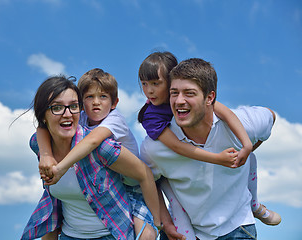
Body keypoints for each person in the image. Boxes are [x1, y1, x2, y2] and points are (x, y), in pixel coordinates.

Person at [140, 58, 279, 240]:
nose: (180, 101)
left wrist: (247, 149)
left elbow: (270, 116)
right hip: (188, 231)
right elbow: (148, 180)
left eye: (189, 93)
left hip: (237, 228)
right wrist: (165, 222)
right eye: (174, 93)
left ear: (210, 97)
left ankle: (256, 205)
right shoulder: (155, 146)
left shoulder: (244, 124)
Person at [20, 76, 161, 240]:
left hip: (111, 234)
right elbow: (54, 203)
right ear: (43, 115)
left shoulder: (102, 147)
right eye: (57, 108)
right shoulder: (40, 145)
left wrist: (157, 224)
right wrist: (45, 155)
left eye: (73, 106)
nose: (67, 114)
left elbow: (144, 174)